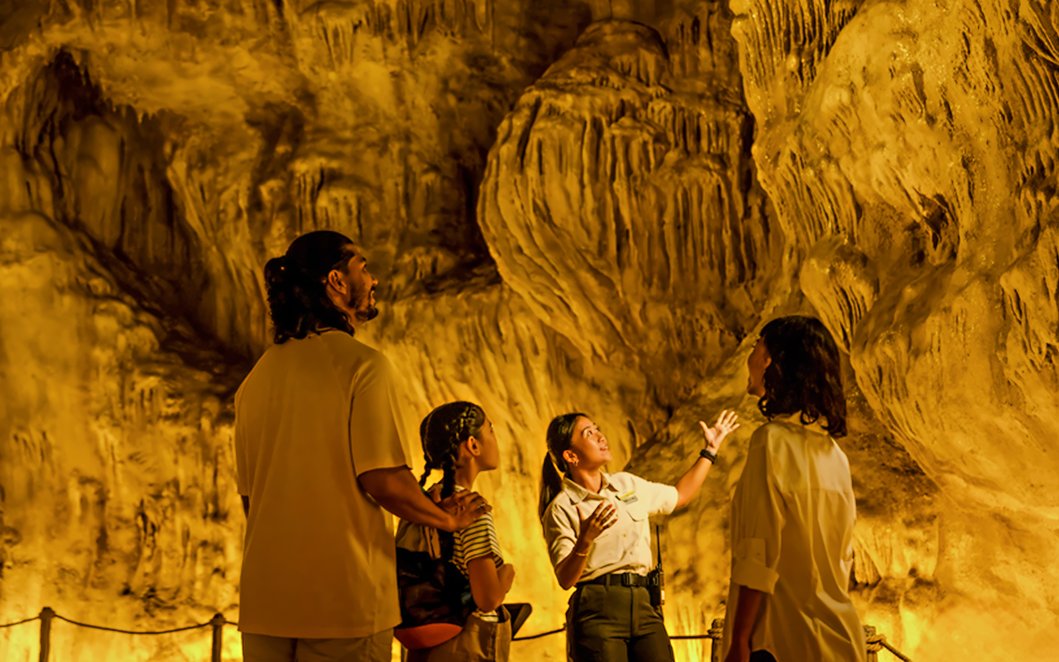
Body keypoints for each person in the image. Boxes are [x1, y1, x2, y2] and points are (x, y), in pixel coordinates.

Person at [234, 230, 488, 662]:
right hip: (343, 602)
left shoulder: (255, 381)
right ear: (335, 281)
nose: (373, 280)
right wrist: (445, 520)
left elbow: (249, 498)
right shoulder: (362, 366)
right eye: (363, 267)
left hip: (265, 604)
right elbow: (382, 477)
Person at [539, 409, 740, 661]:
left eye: (597, 428)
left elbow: (679, 495)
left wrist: (709, 451)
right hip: (598, 610)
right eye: (588, 433)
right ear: (570, 455)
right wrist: (585, 540)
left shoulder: (626, 484)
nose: (601, 436)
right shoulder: (563, 507)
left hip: (644, 603)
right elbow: (565, 578)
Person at [722, 316, 867, 662]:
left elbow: (759, 552)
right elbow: (842, 557)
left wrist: (739, 639)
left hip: (780, 639)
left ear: (772, 361)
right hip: (839, 638)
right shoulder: (835, 455)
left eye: (757, 345)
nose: (751, 356)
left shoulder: (771, 443)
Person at [396, 401, 523, 662]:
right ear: (473, 445)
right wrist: (507, 572)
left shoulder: (423, 505)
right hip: (462, 644)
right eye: (491, 430)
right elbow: (487, 598)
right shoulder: (471, 510)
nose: (495, 438)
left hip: (422, 645)